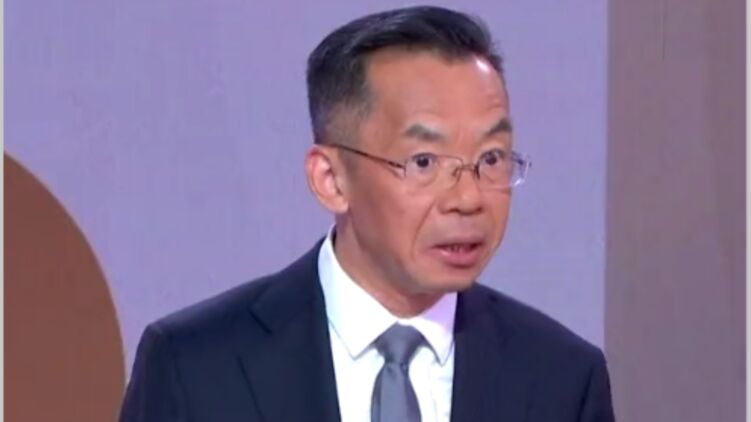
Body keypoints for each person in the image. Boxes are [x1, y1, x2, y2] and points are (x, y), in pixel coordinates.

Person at [120, 6, 615, 422]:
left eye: (491, 158)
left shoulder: (561, 380)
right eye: (424, 162)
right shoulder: (195, 366)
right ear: (331, 180)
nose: (468, 198)